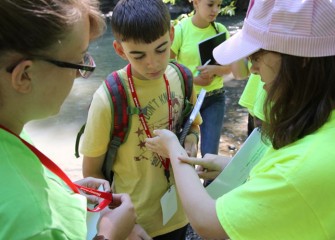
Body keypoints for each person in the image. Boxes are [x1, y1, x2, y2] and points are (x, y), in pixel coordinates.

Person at [146, 0, 335, 239]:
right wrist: (236, 169)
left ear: (301, 59)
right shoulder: (324, 122)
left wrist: (174, 149)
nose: (253, 69)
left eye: (256, 56)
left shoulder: (298, 172)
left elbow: (208, 222)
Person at [0, 0, 136, 239]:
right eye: (78, 60)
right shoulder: (35, 223)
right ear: (24, 76)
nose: (79, 74)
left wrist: (66, 191)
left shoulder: (11, 126)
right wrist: (111, 235)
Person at [80, 0, 201, 239]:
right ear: (120, 50)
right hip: (135, 225)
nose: (153, 63)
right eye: (138, 55)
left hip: (181, 212)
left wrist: (191, 140)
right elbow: (92, 174)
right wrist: (123, 227)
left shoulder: (182, 77)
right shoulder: (109, 98)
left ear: (172, 35)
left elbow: (193, 124)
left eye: (161, 49)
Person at [170, 0, 249, 172]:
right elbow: (168, 66)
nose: (215, 10)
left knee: (210, 154)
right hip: (188, 101)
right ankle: (186, 191)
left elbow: (231, 68)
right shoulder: (181, 30)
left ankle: (209, 192)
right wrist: (194, 80)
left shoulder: (221, 30)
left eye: (219, 6)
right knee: (186, 151)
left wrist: (215, 69)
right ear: (196, 3)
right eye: (210, 4)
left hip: (215, 98)